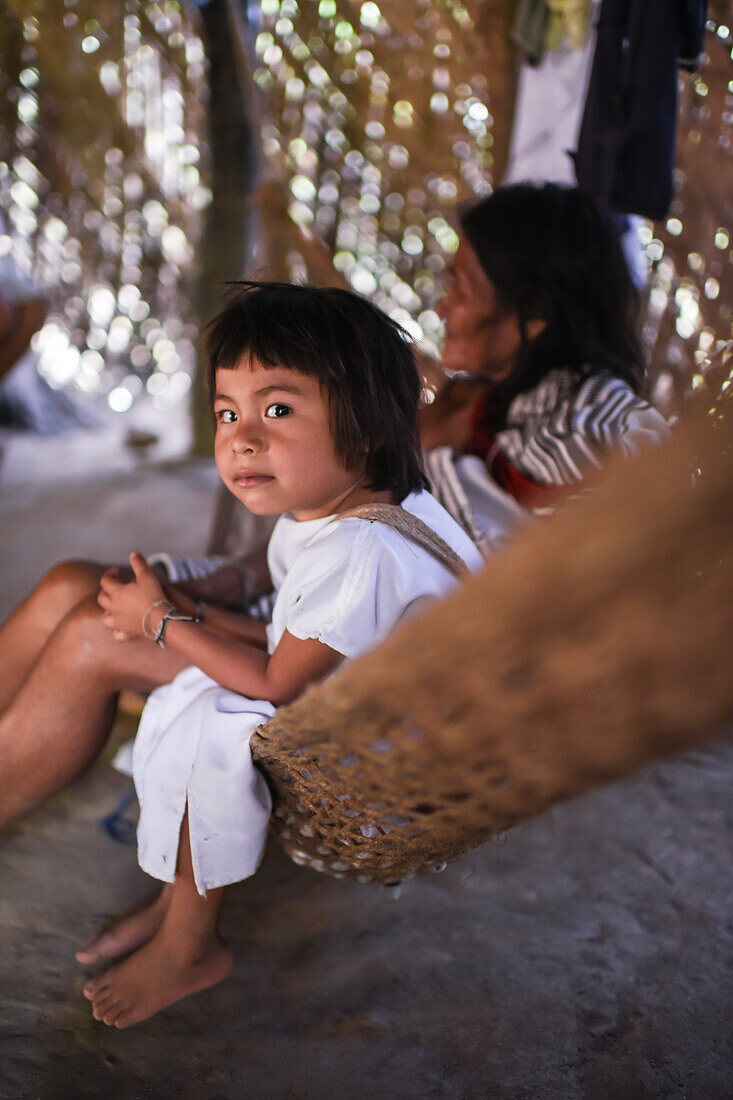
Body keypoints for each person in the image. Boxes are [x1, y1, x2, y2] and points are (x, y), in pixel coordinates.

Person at [1, 282, 482, 1027]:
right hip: (331, 677)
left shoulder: (362, 550)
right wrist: (210, 599)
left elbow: (276, 680)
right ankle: (172, 905)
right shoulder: (347, 500)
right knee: (80, 585)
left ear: (365, 428)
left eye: (277, 410)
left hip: (375, 748)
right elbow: (293, 619)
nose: (240, 438)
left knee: (113, 641)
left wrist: (165, 619)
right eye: (228, 412)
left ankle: (190, 942)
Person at [420, 181, 670, 555]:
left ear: (535, 311)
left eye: (462, 289)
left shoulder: (608, 432)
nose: (443, 306)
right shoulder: (476, 407)